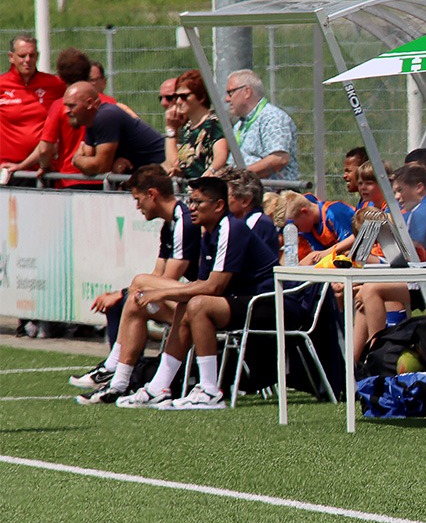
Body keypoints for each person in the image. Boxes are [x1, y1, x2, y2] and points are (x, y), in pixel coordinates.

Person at [115, 176, 283, 409]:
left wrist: (160, 294)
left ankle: (210, 390)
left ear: (219, 205)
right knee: (188, 304)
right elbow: (203, 284)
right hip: (241, 301)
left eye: (198, 202)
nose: (191, 208)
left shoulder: (231, 228)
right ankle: (158, 387)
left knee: (198, 304)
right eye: (190, 201)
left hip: (269, 304)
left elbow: (214, 287)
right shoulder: (210, 233)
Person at [71, 165, 201, 403]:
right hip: (187, 297)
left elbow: (168, 282)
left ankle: (114, 371)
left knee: (137, 287)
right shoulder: (170, 224)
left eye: (138, 199)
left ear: (152, 194)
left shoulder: (184, 222)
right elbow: (158, 275)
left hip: (200, 302)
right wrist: (128, 293)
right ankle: (117, 383)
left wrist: (124, 292)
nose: (138, 206)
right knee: (135, 298)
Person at [350, 165, 426, 362]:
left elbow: (413, 254)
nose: (397, 197)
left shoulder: (420, 212)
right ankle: (356, 364)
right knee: (367, 292)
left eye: (400, 190)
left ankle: (378, 355)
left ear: (419, 187)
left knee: (371, 290)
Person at [1, 48, 113, 189]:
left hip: (69, 179)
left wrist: (41, 165)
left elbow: (45, 149)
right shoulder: (110, 103)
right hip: (104, 180)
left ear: (60, 76)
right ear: (88, 72)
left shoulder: (60, 106)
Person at [65, 82, 165, 175]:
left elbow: (100, 167)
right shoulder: (92, 122)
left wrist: (77, 160)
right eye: (66, 106)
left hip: (163, 173)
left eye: (72, 106)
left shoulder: (106, 116)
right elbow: (89, 169)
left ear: (90, 103)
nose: (66, 111)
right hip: (146, 175)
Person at [0, 35, 66, 171]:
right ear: (11, 57)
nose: (27, 60)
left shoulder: (55, 84)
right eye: (22, 56)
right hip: (8, 168)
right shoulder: (2, 84)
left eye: (32, 55)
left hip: (44, 168)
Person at [225, 69, 299, 181]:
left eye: (230, 93)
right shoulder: (240, 124)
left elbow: (279, 159)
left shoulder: (273, 118)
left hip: (273, 191)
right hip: (245, 188)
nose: (227, 99)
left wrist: (240, 176)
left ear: (247, 92)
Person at [164, 69, 228, 178]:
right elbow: (174, 164)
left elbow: (221, 153)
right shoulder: (187, 128)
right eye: (176, 97)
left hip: (206, 185)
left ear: (201, 97)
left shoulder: (214, 123)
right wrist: (171, 128)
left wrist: (212, 170)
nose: (179, 102)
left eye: (184, 96)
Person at [280, 189, 356, 265]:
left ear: (305, 212)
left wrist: (327, 252)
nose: (297, 232)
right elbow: (319, 256)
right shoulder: (310, 228)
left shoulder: (334, 212)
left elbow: (354, 239)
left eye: (297, 226)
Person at [216, 165, 280, 253]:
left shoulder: (259, 224)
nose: (217, 202)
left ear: (245, 200)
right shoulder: (223, 224)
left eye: (223, 196)